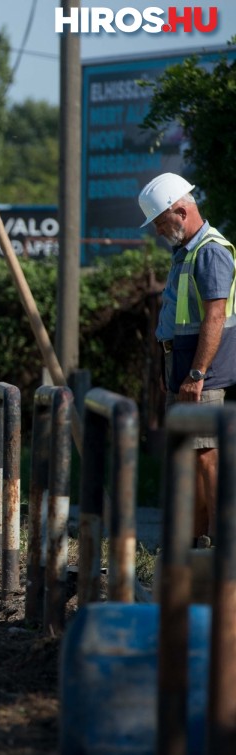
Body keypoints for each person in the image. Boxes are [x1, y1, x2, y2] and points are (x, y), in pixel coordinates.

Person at [139, 172, 236, 545]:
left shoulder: (209, 250)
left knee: (206, 457)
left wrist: (196, 373)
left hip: (202, 375)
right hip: (184, 369)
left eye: (161, 223)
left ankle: (220, 545)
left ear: (181, 211)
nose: (159, 232)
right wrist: (175, 369)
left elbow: (214, 316)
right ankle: (196, 542)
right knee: (190, 460)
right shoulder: (186, 252)